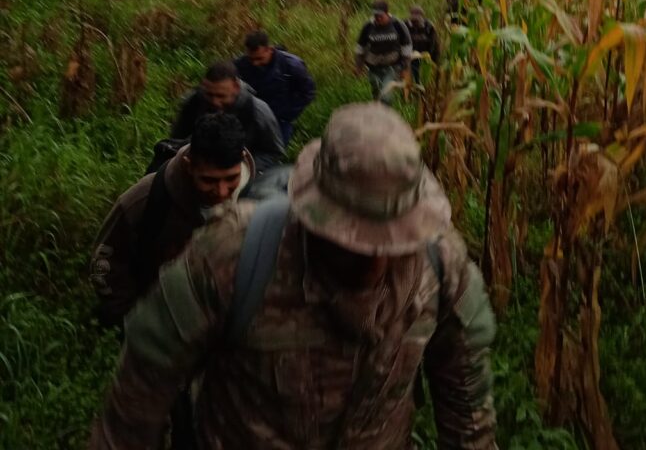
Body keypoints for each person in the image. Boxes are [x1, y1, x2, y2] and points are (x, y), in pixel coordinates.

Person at [90, 103, 498, 449]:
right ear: (314, 216)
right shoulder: (231, 253)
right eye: (353, 241)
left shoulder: (443, 264)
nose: (373, 262)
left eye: (390, 243)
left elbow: (467, 403)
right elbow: (142, 384)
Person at [90, 113, 258, 329]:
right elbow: (105, 263)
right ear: (189, 166)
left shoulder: (259, 199)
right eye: (209, 180)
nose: (221, 191)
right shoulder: (144, 200)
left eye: (231, 179)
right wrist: (131, 318)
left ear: (242, 159)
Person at [171, 60, 284, 171]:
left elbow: (273, 152)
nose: (215, 101)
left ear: (236, 86)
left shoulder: (258, 110)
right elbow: (176, 139)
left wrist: (245, 169)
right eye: (210, 94)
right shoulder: (194, 102)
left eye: (221, 96)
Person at [234, 30, 316, 144]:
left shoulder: (292, 65)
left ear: (270, 50)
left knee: (274, 154)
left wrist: (287, 114)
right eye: (251, 59)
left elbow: (308, 92)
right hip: (251, 118)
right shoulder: (240, 64)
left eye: (259, 58)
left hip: (280, 121)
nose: (255, 63)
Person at [354, 0, 412, 105]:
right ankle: (378, 113)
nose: (378, 18)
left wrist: (405, 68)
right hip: (373, 67)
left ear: (387, 13)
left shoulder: (397, 25)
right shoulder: (368, 26)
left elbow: (407, 47)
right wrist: (358, 66)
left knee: (386, 97)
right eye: (375, 16)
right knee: (376, 92)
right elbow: (360, 48)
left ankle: (385, 116)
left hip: (392, 67)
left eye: (380, 16)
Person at [406, 5, 440, 84]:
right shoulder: (405, 25)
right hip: (410, 56)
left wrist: (433, 59)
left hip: (425, 56)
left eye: (417, 18)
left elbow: (434, 44)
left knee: (423, 77)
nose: (415, 20)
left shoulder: (429, 26)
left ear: (422, 16)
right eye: (413, 18)